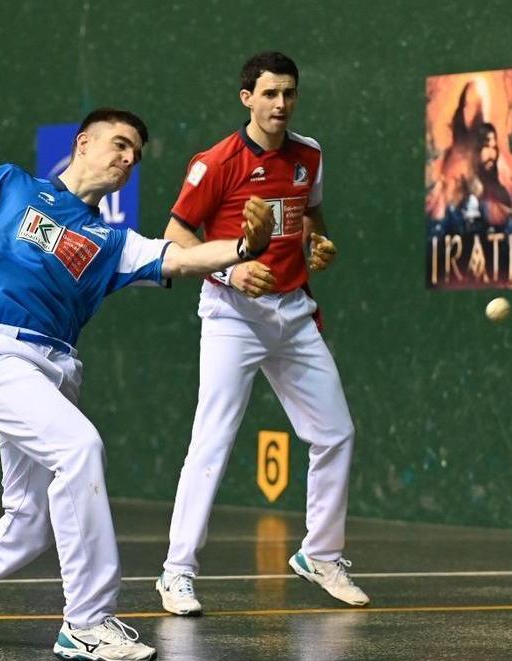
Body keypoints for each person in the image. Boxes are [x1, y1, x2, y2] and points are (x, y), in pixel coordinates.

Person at [0, 108, 273, 661]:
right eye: (120, 145)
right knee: (80, 449)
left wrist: (244, 247)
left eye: (136, 155)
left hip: (55, 372)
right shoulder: (11, 185)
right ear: (83, 143)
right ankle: (87, 622)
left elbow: (187, 256)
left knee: (27, 524)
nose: (127, 160)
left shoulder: (112, 242)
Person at [156, 52, 370, 616]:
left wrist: (320, 243)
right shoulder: (217, 162)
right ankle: (176, 573)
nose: (280, 104)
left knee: (336, 433)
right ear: (246, 97)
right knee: (213, 439)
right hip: (232, 315)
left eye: (289, 93)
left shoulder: (309, 154)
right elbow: (174, 239)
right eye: (270, 93)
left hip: (294, 312)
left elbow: (311, 215)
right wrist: (230, 269)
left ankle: (321, 554)